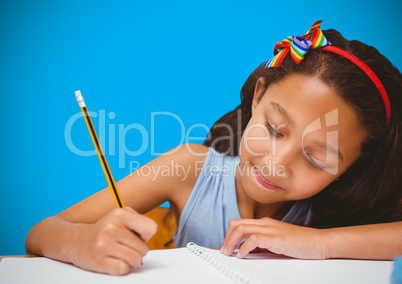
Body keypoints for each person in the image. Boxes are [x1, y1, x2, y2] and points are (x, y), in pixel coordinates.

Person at [25, 20, 402, 275]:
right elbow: (40, 233)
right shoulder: (190, 169)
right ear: (258, 98)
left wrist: (319, 244)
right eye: (273, 129)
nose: (276, 162)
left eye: (316, 159)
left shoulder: (343, 207)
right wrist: (80, 241)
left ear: (354, 165)